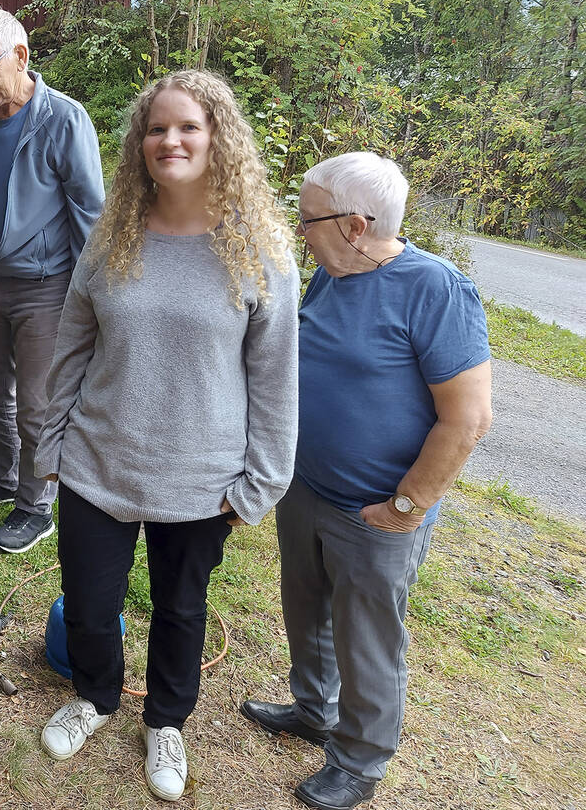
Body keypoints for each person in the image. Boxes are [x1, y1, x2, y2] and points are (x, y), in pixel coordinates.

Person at [34, 70, 299, 801]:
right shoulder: (112, 234)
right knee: (90, 604)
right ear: (139, 144)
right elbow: (70, 349)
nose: (169, 140)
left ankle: (167, 722)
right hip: (97, 461)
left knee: (182, 609)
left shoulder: (261, 251)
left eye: (187, 126)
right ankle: (94, 696)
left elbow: (276, 382)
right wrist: (48, 444)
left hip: (201, 479)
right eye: (156, 129)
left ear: (219, 138)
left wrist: (261, 483)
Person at [239, 152, 493, 810]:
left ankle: (358, 761)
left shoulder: (435, 289)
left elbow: (467, 419)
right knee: (306, 611)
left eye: (308, 219)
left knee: (369, 639)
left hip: (377, 512)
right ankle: (313, 710)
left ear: (355, 224)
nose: (300, 231)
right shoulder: (332, 273)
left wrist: (408, 503)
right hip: (307, 489)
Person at [0, 8, 104, 554]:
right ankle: (4, 477)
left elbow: (90, 217)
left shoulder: (64, 120)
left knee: (37, 404)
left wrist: (94, 302)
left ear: (22, 57)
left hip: (46, 290)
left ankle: (36, 506)